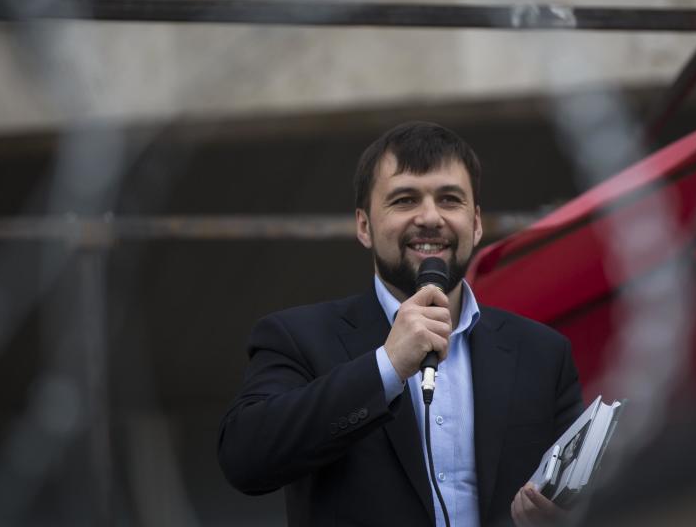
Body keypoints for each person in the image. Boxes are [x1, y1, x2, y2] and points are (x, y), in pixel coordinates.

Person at [218, 121, 584, 526]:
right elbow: (245, 458)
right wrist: (386, 366)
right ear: (363, 226)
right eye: (405, 200)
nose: (430, 218)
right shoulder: (297, 338)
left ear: (476, 223)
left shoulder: (542, 353)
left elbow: (591, 499)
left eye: (450, 200)